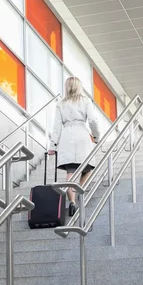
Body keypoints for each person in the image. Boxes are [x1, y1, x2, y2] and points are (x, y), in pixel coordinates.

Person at [48, 77, 101, 216]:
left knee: (70, 173)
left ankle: (72, 201)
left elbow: (56, 126)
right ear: (79, 87)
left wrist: (52, 145)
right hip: (82, 135)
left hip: (66, 137)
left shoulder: (61, 104)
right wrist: (96, 136)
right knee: (88, 168)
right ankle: (79, 190)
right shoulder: (85, 101)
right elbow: (93, 121)